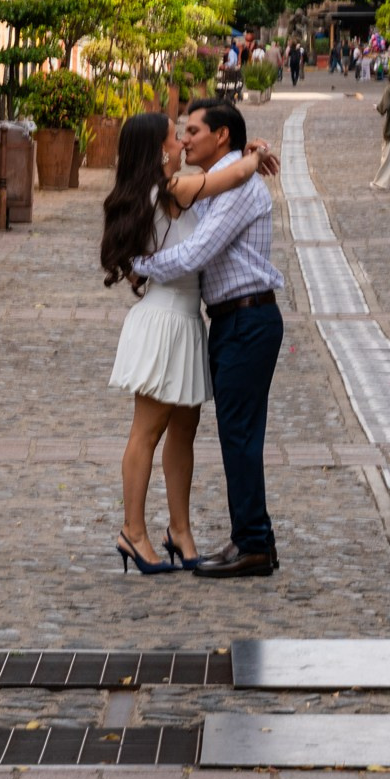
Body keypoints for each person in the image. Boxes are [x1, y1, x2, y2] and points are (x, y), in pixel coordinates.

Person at [99, 113, 273, 572]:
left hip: (188, 321)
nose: (182, 141)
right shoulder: (170, 190)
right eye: (175, 136)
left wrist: (242, 150)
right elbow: (233, 175)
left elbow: (220, 180)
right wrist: (250, 156)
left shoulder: (178, 187)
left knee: (183, 433)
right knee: (148, 431)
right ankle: (132, 532)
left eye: (186, 133)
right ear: (160, 150)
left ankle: (180, 530)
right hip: (164, 318)